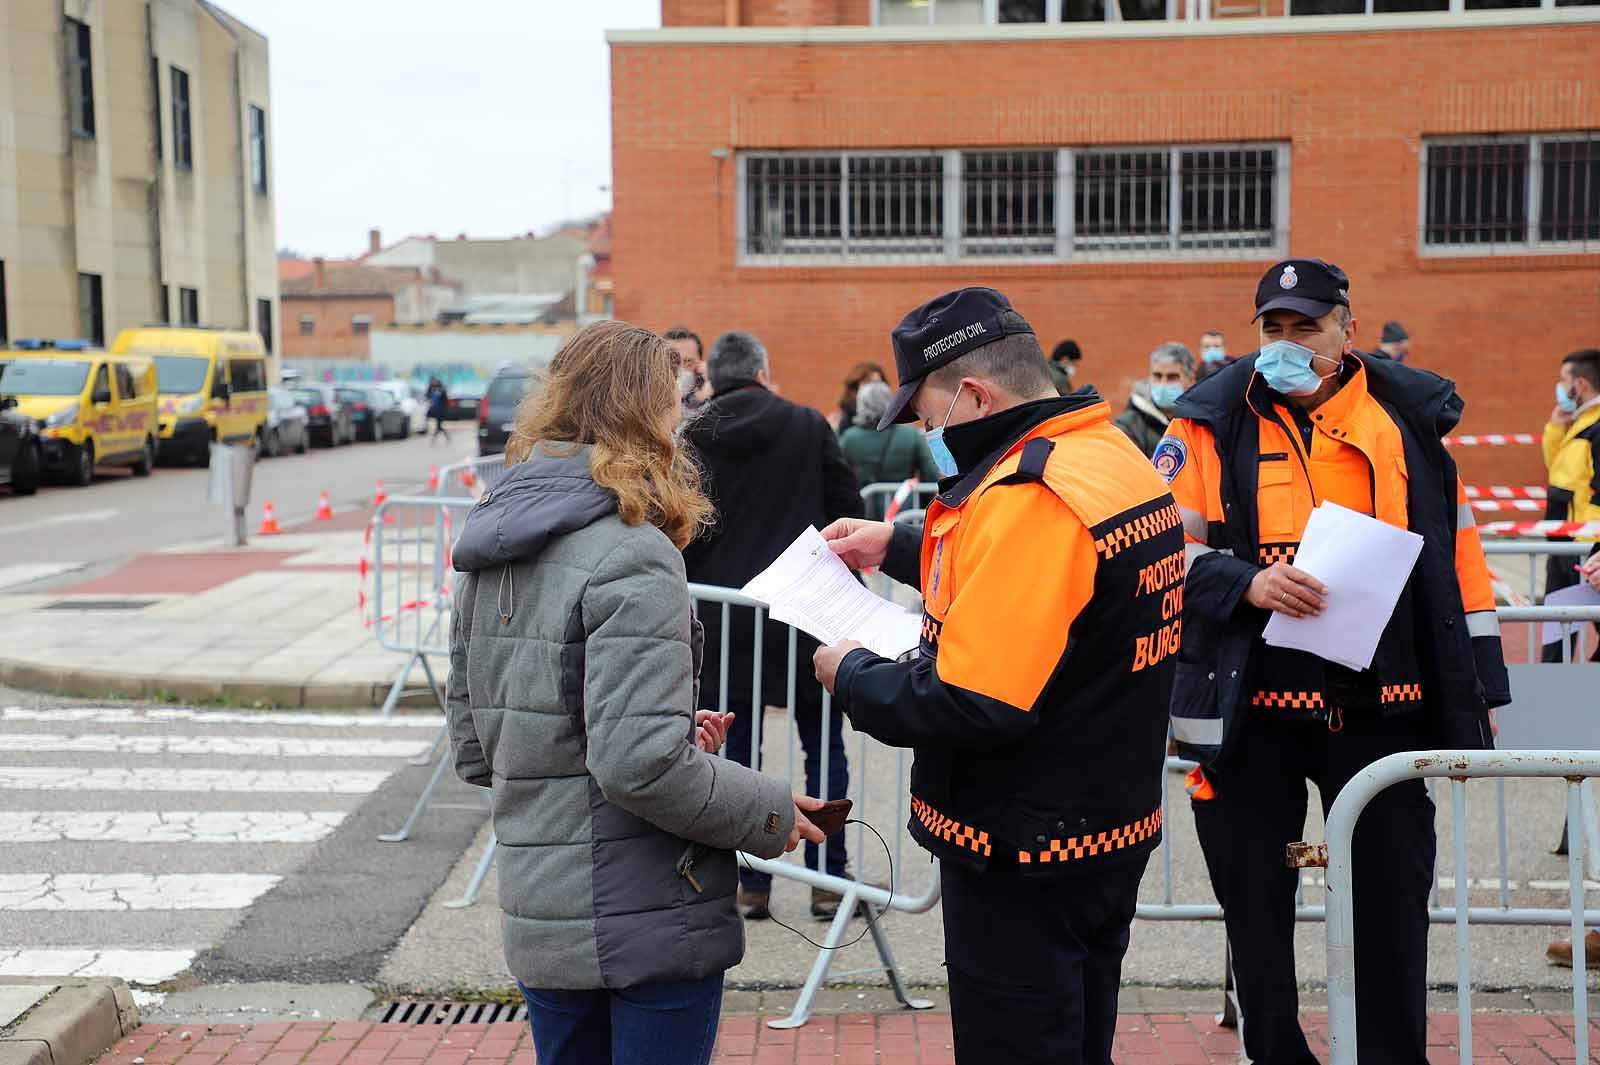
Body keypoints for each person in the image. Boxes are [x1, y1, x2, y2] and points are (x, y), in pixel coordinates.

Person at [812, 288, 1181, 1065]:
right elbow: (1057, 591)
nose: (923, 433)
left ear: (974, 395)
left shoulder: (1031, 495)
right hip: (1104, 825)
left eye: (926, 414)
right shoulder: (1104, 453)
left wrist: (851, 674)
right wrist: (900, 545)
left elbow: (973, 703)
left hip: (1024, 847)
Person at [444, 320, 827, 1065]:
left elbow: (476, 744)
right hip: (644, 915)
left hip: (544, 910)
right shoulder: (632, 551)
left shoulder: (494, 540)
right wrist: (766, 808)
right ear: (646, 411)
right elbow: (637, 765)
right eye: (677, 399)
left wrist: (671, 735)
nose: (685, 417)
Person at [1161, 259, 1510, 1065]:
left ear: (1347, 331)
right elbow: (1160, 556)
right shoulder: (1207, 425)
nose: (1286, 344)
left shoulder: (1406, 423)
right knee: (1256, 914)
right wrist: (1246, 582)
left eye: (1305, 328)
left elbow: (1459, 560)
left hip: (1383, 710)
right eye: (1272, 329)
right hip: (1251, 718)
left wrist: (1480, 685)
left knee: (1392, 912)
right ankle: (1276, 1053)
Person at [681, 330, 866, 920]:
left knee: (738, 752)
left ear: (715, 375)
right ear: (763, 371)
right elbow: (849, 510)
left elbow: (678, 528)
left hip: (724, 621)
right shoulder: (808, 425)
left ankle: (750, 881)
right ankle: (828, 877)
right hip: (803, 618)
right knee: (823, 745)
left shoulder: (693, 434)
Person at [1537, 348, 1600, 666]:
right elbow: (1559, 473)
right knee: (1557, 635)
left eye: (1564, 380)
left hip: (1586, 550)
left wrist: (1590, 542)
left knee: (1567, 630)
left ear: (1582, 384)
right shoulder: (1580, 423)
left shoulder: (1597, 427)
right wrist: (1555, 427)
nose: (1560, 388)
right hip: (1564, 546)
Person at [838, 381, 941, 514]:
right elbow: (930, 472)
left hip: (862, 512)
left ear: (861, 405)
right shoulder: (910, 435)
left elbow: (839, 477)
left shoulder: (848, 439)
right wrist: (921, 500)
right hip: (903, 511)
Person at [1113, 342, 1196, 457]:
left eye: (1172, 377)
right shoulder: (1128, 426)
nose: (1163, 384)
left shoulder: (1200, 422)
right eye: (1157, 376)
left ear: (1190, 380)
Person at [665, 326, 712, 419]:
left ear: (700, 363)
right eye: (673, 362)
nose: (680, 369)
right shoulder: (648, 403)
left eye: (688, 361)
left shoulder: (712, 401)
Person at [829, 361, 888, 433]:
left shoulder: (890, 416)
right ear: (856, 387)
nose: (874, 388)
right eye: (868, 382)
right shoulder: (843, 419)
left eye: (878, 383)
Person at [426, 376, 450, 445]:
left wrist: (446, 409)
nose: (433, 382)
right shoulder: (431, 389)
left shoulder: (442, 389)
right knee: (439, 426)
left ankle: (434, 440)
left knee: (439, 426)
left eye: (434, 381)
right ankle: (446, 437)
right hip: (434, 410)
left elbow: (445, 400)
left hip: (441, 410)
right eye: (432, 381)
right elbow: (427, 396)